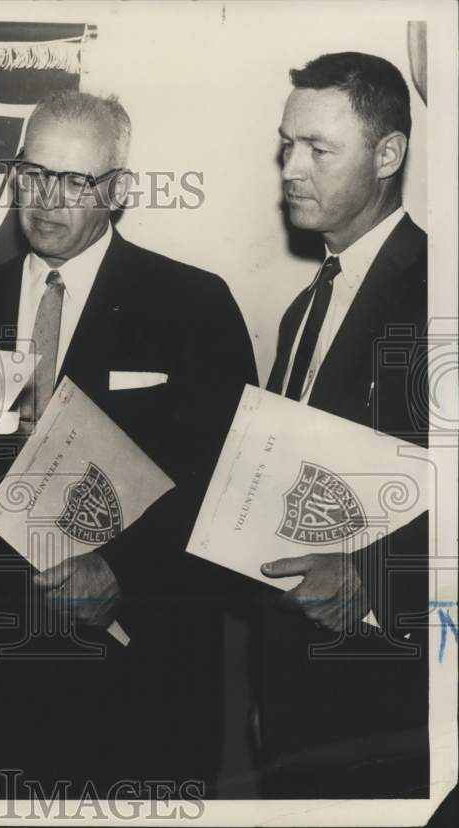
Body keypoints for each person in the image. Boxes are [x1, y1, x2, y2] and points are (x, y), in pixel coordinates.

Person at [0, 90, 257, 798]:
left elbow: (232, 489)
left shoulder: (193, 304)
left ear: (119, 192)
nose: (47, 200)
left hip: (148, 679)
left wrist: (124, 569)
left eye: (76, 182)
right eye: (32, 174)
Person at [254, 51, 429, 798]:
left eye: (318, 149)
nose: (292, 168)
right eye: (287, 145)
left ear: (387, 154)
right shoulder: (304, 308)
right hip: (298, 691)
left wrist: (373, 583)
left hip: (398, 698)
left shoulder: (436, 286)